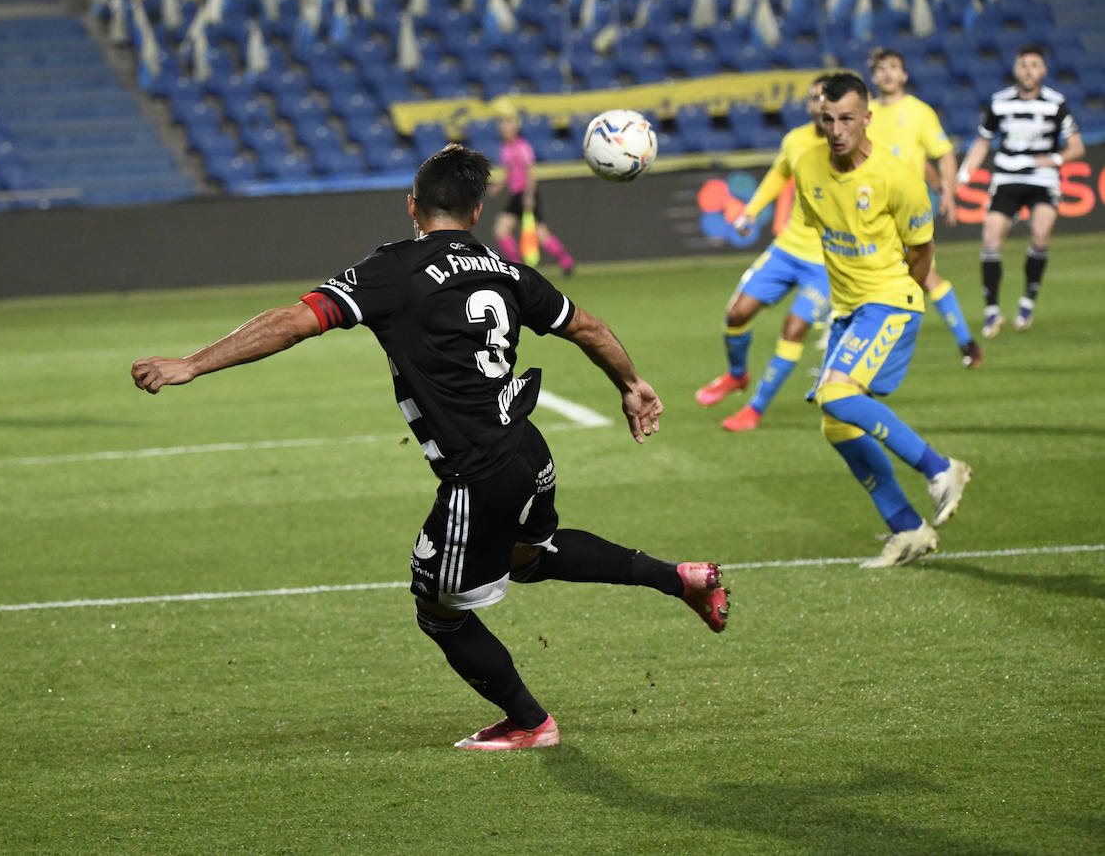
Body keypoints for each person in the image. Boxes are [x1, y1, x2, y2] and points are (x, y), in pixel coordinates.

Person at [131, 145, 729, 750]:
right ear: (475, 213)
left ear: (412, 206)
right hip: (528, 449)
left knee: (438, 608)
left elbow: (293, 319)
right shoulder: (505, 269)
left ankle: (529, 722)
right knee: (530, 558)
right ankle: (681, 579)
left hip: (479, 471)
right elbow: (588, 327)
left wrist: (191, 364)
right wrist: (631, 386)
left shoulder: (393, 268)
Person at [791, 73, 972, 568]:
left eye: (847, 118)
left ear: (867, 118)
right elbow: (828, 234)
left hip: (890, 300)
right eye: (827, 119)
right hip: (849, 310)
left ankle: (940, 469)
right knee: (836, 425)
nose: (837, 129)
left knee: (837, 395)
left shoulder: (898, 178)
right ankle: (908, 528)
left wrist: (898, 295)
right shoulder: (807, 166)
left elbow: (922, 252)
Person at [695, 74, 834, 431]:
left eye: (826, 97)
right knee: (737, 314)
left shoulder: (851, 147)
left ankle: (755, 409)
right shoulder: (796, 140)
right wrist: (750, 211)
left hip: (826, 262)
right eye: (814, 97)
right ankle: (737, 375)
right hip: (787, 249)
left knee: (793, 328)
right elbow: (778, 175)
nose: (819, 104)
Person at [866, 46, 983, 368]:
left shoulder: (919, 112)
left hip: (907, 209)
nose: (888, 73)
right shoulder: (867, 115)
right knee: (902, 278)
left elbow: (943, 153)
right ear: (873, 76)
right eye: (881, 68)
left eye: (894, 67)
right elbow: (906, 155)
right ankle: (965, 343)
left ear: (904, 74)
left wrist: (947, 192)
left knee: (919, 276)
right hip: (871, 210)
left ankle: (962, 342)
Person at [957, 43, 1083, 336]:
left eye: (1034, 65)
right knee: (990, 237)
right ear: (1015, 69)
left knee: (1040, 234)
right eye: (1023, 64)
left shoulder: (1055, 103)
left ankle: (1027, 302)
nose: (1028, 70)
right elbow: (983, 141)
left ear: (1044, 70)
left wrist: (1053, 159)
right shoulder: (999, 102)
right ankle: (992, 311)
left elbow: (1075, 147)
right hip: (1007, 178)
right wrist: (964, 175)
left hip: (1042, 180)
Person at [487, 112, 575, 274]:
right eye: (503, 128)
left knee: (536, 234)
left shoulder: (522, 147)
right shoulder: (506, 148)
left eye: (508, 127)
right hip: (516, 195)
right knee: (502, 230)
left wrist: (529, 195)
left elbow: (530, 172)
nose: (504, 130)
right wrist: (498, 187)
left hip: (525, 194)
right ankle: (561, 261)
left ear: (515, 129)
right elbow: (509, 172)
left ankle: (564, 261)